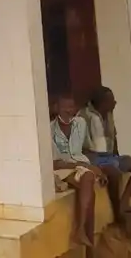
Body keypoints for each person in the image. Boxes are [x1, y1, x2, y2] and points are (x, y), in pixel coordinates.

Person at [82, 86, 131, 221]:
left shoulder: (108, 115)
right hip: (91, 157)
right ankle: (118, 212)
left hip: (108, 156)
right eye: (111, 100)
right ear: (102, 102)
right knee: (114, 172)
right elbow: (81, 147)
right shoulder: (85, 118)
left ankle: (124, 203)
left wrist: (117, 158)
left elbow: (113, 139)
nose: (115, 103)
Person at [51, 93, 104, 252]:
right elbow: (55, 163)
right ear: (56, 108)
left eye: (71, 106)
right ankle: (86, 240)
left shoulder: (81, 123)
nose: (69, 110)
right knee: (89, 186)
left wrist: (96, 165)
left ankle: (81, 232)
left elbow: (87, 148)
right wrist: (83, 164)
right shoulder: (49, 130)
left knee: (88, 180)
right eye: (64, 107)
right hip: (60, 168)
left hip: (79, 166)